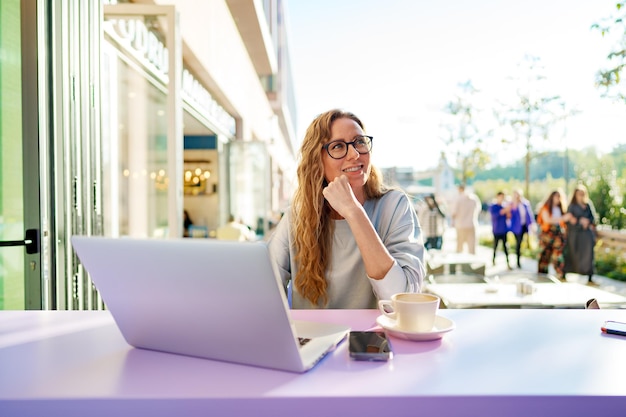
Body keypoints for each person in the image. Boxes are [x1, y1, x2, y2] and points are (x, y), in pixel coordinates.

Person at [267, 109, 425, 309]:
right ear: (317, 161)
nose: (355, 154)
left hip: (374, 340)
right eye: (338, 146)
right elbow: (266, 289)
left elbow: (402, 300)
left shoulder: (393, 206)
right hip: (313, 339)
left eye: (360, 142)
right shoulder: (297, 217)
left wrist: (354, 212)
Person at [564, 184, 597, 284]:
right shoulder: (572, 206)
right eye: (579, 194)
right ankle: (565, 272)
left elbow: (593, 218)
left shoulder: (587, 205)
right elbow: (570, 221)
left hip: (586, 234)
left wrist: (587, 221)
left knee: (588, 255)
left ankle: (589, 276)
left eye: (583, 194)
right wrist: (579, 221)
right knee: (572, 253)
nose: (581, 196)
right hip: (575, 234)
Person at [537, 190, 571, 280]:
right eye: (556, 196)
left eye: (559, 197)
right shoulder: (546, 207)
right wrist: (562, 218)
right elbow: (547, 220)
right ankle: (542, 274)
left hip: (558, 234)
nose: (558, 199)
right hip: (547, 234)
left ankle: (560, 273)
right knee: (545, 254)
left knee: (558, 254)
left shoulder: (561, 208)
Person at [449, 184, 481, 254]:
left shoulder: (457, 198)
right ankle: (472, 261)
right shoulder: (474, 198)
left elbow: (454, 213)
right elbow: (478, 209)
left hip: (460, 225)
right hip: (471, 224)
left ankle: (460, 262)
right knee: (472, 246)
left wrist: (452, 222)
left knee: (460, 246)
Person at [508, 188, 535, 268]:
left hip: (524, 226)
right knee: (518, 243)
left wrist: (532, 225)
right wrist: (515, 204)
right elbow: (510, 215)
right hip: (516, 227)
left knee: (522, 242)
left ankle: (519, 258)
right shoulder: (512, 204)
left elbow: (529, 215)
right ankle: (518, 261)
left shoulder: (525, 203)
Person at [489, 191, 511, 269]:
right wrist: (503, 211)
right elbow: (494, 216)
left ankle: (508, 263)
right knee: (495, 246)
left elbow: (508, 217)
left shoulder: (504, 206)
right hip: (496, 230)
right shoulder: (493, 206)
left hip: (504, 230)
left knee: (506, 247)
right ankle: (493, 260)